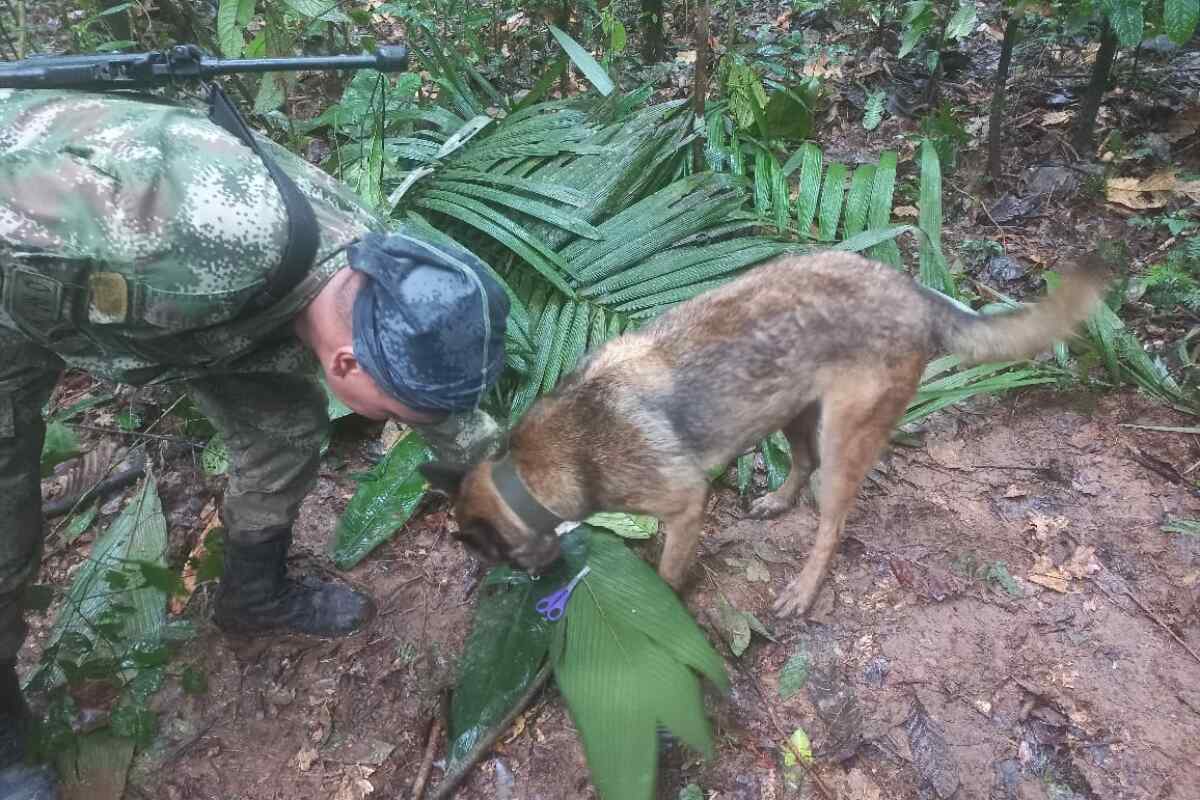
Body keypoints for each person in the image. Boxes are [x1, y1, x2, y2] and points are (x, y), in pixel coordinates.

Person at [0, 87, 510, 797]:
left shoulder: (379, 272)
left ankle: (253, 595)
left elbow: (440, 406)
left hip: (174, 308)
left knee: (285, 430)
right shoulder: (187, 238)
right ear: (346, 366)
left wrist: (511, 491)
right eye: (397, 412)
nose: (406, 422)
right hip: (21, 271)